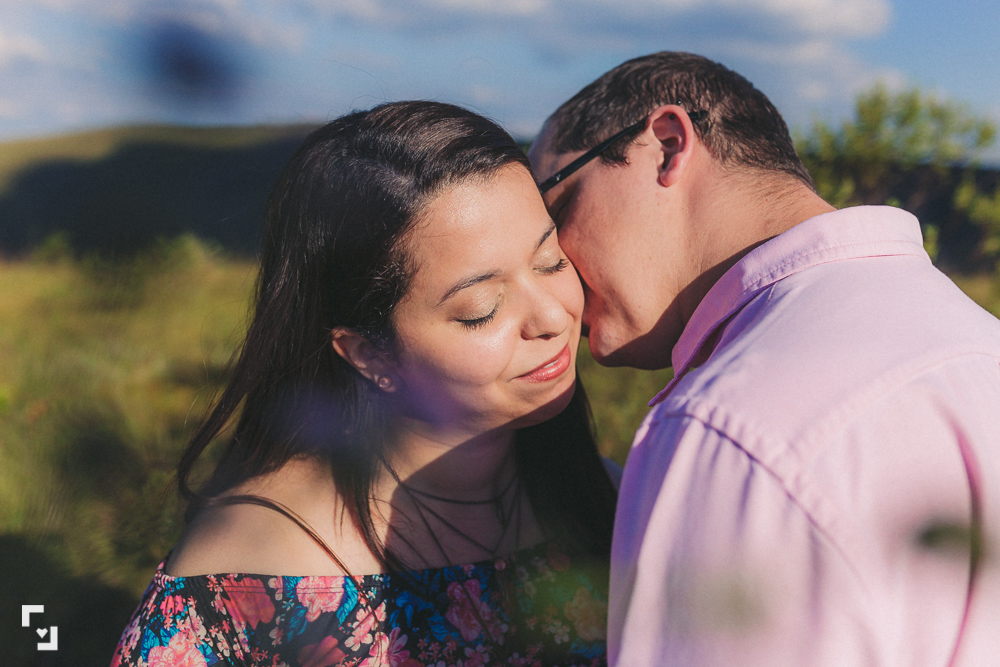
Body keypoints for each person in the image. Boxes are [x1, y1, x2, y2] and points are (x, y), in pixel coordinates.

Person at [528, 51, 1000, 665]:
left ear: (667, 146)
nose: (551, 262)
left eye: (554, 210)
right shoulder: (975, 339)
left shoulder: (728, 426)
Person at [111, 101, 618, 667]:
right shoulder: (243, 591)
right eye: (481, 309)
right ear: (368, 353)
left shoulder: (618, 496)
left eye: (550, 261)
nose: (552, 317)